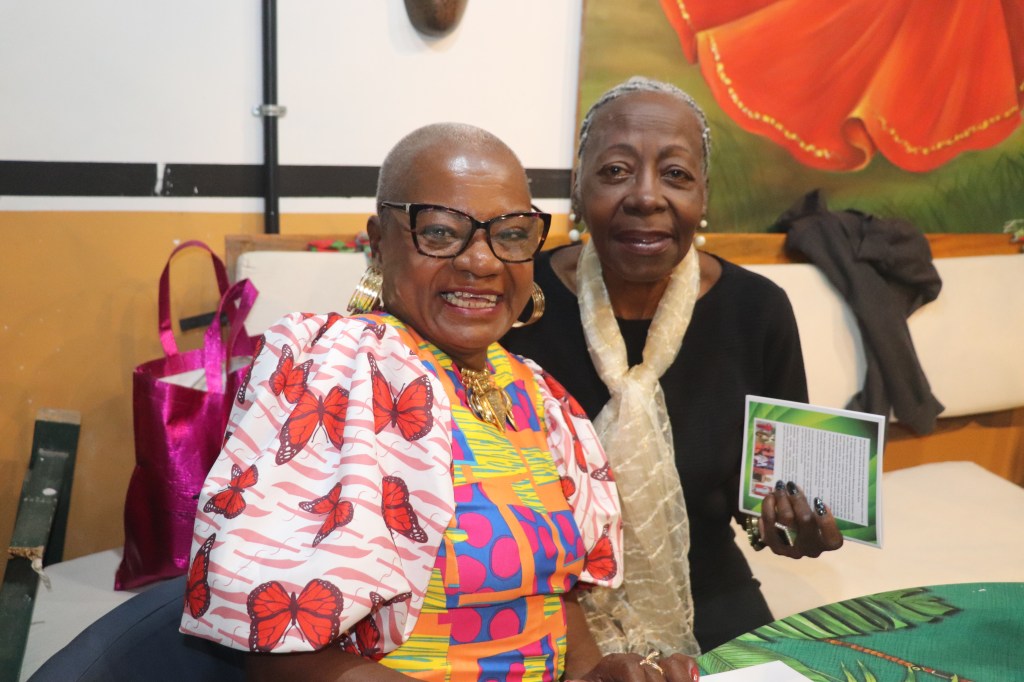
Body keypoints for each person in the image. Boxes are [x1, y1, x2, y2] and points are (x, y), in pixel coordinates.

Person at [179, 122, 699, 682]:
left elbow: (554, 606)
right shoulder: (337, 372)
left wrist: (598, 675)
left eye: (511, 235)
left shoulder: (537, 394)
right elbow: (282, 656)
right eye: (441, 232)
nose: (481, 262)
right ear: (379, 242)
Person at [503, 77, 844, 656]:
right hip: (538, 590)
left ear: (702, 197)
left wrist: (786, 524)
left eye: (676, 174)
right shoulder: (514, 298)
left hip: (700, 582)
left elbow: (764, 499)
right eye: (615, 171)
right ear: (578, 190)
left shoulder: (756, 309)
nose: (646, 196)